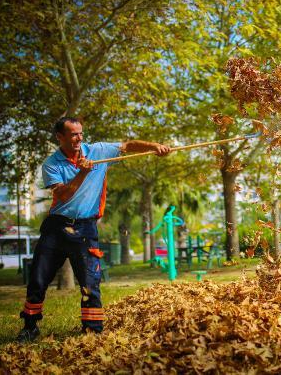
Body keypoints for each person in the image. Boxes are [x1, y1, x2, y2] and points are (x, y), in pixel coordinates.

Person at [17, 116, 170, 343]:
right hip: (56, 227)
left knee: (90, 281)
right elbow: (63, 194)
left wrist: (154, 147)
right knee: (39, 278)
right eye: (73, 134)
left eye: (80, 133)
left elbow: (127, 146)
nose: (79, 138)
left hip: (86, 228)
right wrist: (83, 172)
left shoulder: (98, 151)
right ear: (60, 137)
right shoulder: (52, 164)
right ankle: (30, 326)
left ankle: (92, 330)